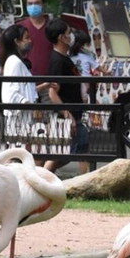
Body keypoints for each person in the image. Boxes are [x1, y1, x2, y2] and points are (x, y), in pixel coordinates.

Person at [43, 19, 88, 174]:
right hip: (67, 116)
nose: (72, 36)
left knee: (76, 151)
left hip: (74, 113)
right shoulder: (57, 61)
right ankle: (43, 177)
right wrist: (67, 115)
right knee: (63, 153)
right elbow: (52, 92)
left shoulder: (64, 58)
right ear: (61, 37)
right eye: (69, 33)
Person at [0, 24, 39, 147]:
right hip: (19, 118)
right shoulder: (14, 62)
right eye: (26, 38)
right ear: (17, 41)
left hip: (21, 117)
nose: (30, 41)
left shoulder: (15, 61)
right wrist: (30, 107)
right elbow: (12, 92)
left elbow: (24, 88)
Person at [17, 0, 53, 93]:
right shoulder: (19, 27)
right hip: (26, 83)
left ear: (43, 5)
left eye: (37, 3)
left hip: (48, 84)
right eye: (30, 4)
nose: (33, 6)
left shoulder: (52, 27)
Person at [69, 30, 109, 103]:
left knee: (85, 95)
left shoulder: (71, 56)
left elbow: (97, 66)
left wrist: (106, 72)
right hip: (83, 80)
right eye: (86, 44)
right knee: (85, 96)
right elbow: (97, 66)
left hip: (84, 80)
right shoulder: (84, 57)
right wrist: (106, 72)